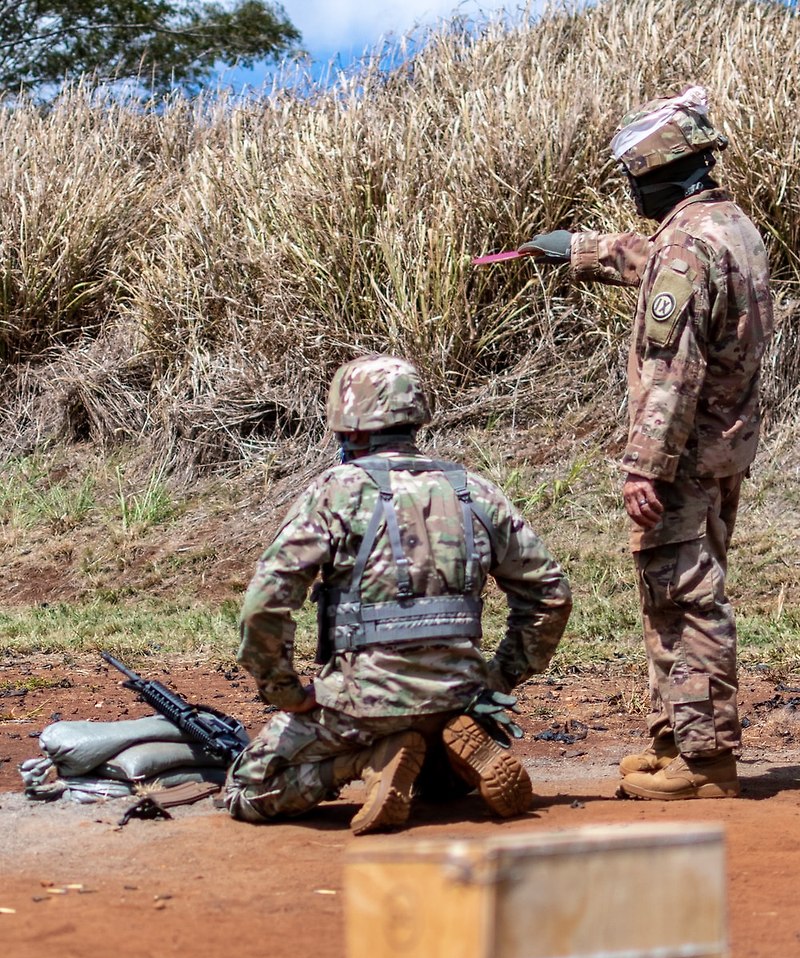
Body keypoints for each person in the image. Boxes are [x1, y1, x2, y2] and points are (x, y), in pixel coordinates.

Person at [522, 86, 773, 800]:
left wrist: (645, 467)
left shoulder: (687, 246)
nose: (632, 190)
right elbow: (660, 264)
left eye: (635, 177)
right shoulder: (728, 227)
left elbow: (671, 372)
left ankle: (704, 758)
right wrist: (582, 252)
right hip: (724, 449)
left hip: (686, 456)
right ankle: (674, 742)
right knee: (679, 593)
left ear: (664, 172)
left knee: (686, 599)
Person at [222, 354, 572, 832]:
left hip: (364, 705)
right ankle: (444, 748)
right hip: (460, 696)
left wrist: (284, 690)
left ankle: (366, 761)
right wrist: (499, 678)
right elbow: (549, 592)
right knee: (437, 781)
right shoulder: (474, 490)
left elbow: (265, 601)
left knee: (245, 791)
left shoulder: (338, 491)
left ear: (350, 424)